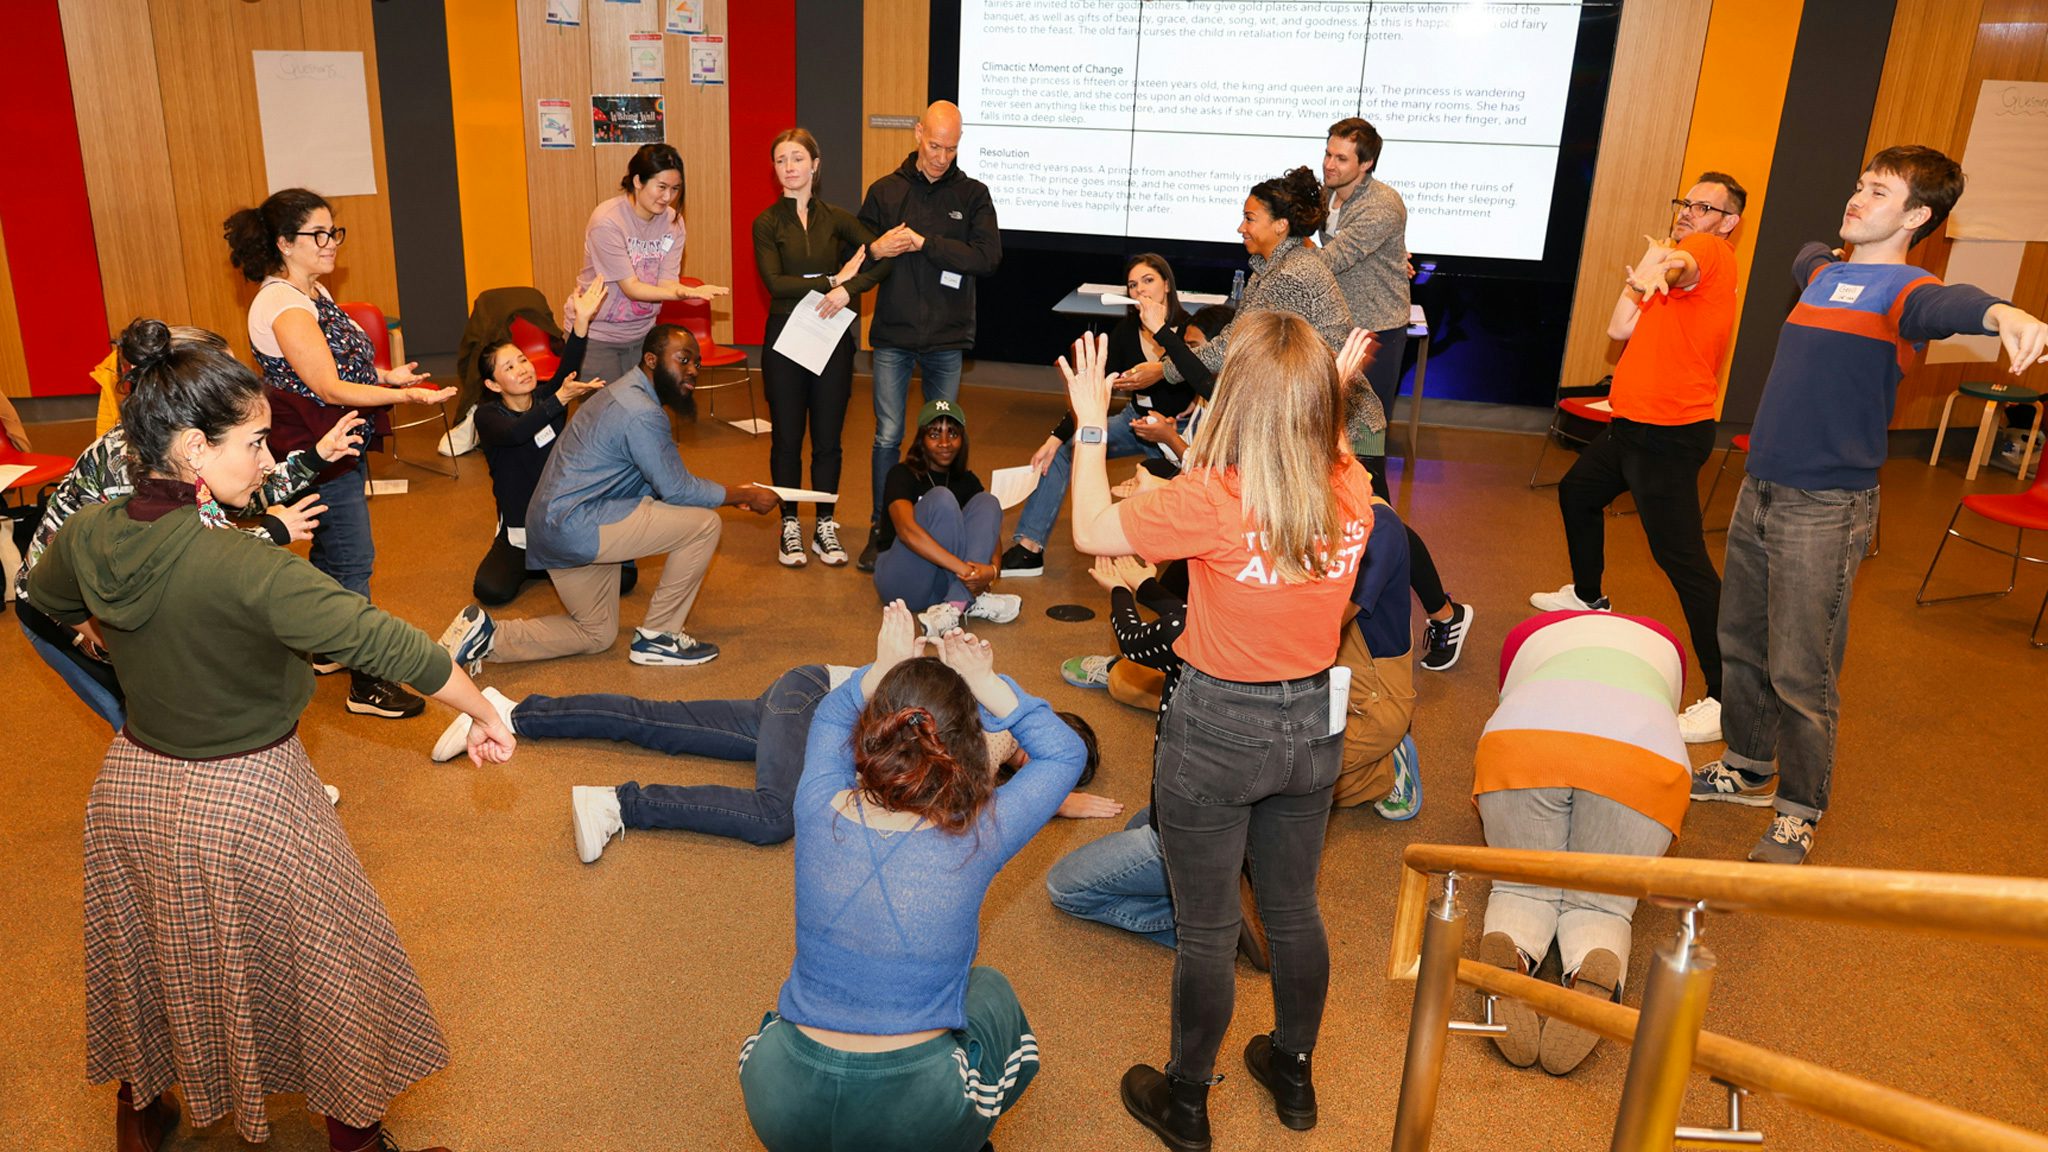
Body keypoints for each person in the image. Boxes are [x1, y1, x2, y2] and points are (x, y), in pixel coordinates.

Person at [26, 319, 514, 1152]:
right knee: (334, 972)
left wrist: (101, 630)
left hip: (130, 790)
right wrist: (483, 712)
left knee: (155, 961)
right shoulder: (253, 566)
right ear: (191, 450)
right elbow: (386, 643)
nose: (264, 460)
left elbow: (46, 597)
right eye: (253, 443)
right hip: (246, 798)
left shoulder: (89, 531)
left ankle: (142, 1121)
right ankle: (356, 1143)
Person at [1060, 315, 1379, 1145]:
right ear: (1317, 405)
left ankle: (1190, 1101)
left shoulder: (1215, 501)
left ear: (1233, 395)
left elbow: (1093, 531)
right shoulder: (1350, 485)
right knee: (1294, 909)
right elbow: (1321, 442)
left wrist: (1092, 420)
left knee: (1205, 929)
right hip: (1312, 726)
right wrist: (1330, 391)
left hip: (1217, 730)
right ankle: (1295, 1073)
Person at [1691, 146, 2047, 865]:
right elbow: (1806, 254)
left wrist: (2002, 310)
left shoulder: (1908, 293)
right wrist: (1827, 252)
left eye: (1878, 192)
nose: (1857, 197)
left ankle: (1799, 809)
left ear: (1917, 215)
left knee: (1802, 668)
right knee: (1741, 646)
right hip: (1760, 489)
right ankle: (1751, 767)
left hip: (1824, 508)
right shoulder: (1824, 271)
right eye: (1859, 184)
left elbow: (1949, 304)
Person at [737, 603, 1086, 1152]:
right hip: (915, 1114)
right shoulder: (978, 834)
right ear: (970, 748)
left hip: (777, 1097)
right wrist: (987, 682)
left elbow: (830, 714)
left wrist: (881, 667)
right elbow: (1065, 752)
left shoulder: (815, 803)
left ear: (874, 732)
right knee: (989, 989)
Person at [1048, 495, 1423, 957]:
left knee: (1064, 886)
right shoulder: (1249, 610)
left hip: (1207, 799)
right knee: (1147, 792)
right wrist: (1142, 586)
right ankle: (1220, 898)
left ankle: (1213, 923)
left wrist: (1123, 590)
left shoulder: (1359, 531)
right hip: (1256, 741)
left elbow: (1136, 636)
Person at [14, 326, 357, 733]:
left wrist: (315, 458)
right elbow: (176, 562)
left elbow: (243, 495)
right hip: (64, 614)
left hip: (116, 601)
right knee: (148, 726)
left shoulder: (189, 446)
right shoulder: (131, 461)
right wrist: (272, 533)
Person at [425, 662, 1115, 855]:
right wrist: (1055, 798)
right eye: (1045, 754)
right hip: (817, 701)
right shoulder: (986, 720)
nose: (1028, 762)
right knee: (776, 816)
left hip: (803, 697)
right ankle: (618, 803)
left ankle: (509, 712)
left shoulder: (991, 736)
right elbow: (962, 801)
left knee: (664, 724)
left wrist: (1047, 793)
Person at [225, 187, 458, 720]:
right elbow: (328, 386)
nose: (331, 243)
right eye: (318, 234)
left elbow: (347, 362)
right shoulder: (282, 302)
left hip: (334, 439)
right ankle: (367, 682)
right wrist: (407, 396)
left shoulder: (311, 291)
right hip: (313, 443)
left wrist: (387, 375)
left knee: (331, 550)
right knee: (353, 559)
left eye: (335, 232)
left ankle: (328, 646)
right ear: (285, 243)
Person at [1531, 174, 1747, 744]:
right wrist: (1648, 271)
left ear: (1728, 222)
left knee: (1684, 564)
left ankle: (1728, 697)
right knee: (1578, 494)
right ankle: (1588, 595)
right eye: (1685, 202)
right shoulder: (1667, 282)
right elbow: (1617, 327)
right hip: (1630, 427)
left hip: (1669, 434)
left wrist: (1666, 265)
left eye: (1705, 206)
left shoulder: (1710, 252)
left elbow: (1687, 260)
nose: (1689, 212)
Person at [437, 326, 780, 671]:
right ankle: (659, 638)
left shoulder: (620, 391)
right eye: (684, 360)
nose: (692, 370)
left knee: (596, 633)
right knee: (704, 524)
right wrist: (742, 495)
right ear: (651, 360)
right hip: (576, 525)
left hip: (553, 527)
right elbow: (677, 489)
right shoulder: (642, 411)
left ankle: (488, 636)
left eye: (697, 363)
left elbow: (660, 483)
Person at [1474, 610, 1691, 1075]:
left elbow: (1507, 694)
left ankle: (1508, 959)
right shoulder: (1669, 653)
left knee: (1520, 885)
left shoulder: (1525, 635)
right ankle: (1590, 978)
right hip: (1640, 759)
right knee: (1603, 902)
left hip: (1524, 741)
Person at [1115, 167, 1384, 453]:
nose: (1241, 228)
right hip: (1319, 419)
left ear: (1281, 225)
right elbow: (1233, 336)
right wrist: (1165, 368)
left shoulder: (1290, 275)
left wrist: (1163, 367)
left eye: (1249, 219)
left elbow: (1231, 349)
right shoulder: (1271, 270)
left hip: (1345, 428)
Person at [855, 101, 1002, 571]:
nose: (942, 156)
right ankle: (883, 529)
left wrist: (926, 243)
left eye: (952, 148)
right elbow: (861, 258)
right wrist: (877, 247)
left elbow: (986, 258)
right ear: (918, 133)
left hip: (947, 337)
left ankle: (941, 528)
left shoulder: (974, 194)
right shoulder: (885, 191)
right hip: (894, 335)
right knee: (889, 435)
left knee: (943, 438)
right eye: (935, 145)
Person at [1000, 254, 1207, 579]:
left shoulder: (1191, 330)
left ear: (1167, 285)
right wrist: (1054, 438)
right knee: (1065, 449)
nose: (1141, 290)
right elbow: (1091, 392)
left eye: (1149, 280)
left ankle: (1186, 576)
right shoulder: (1124, 332)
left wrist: (1180, 384)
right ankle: (1029, 548)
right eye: (1133, 285)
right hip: (1132, 421)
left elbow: (1211, 376)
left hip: (1177, 431)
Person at [753, 126, 883, 568]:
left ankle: (825, 523)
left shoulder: (838, 218)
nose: (789, 168)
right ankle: (790, 522)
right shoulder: (766, 223)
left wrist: (852, 287)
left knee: (828, 441)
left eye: (796, 159)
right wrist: (833, 280)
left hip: (831, 340)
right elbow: (776, 284)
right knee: (787, 439)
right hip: (784, 340)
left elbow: (878, 257)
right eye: (781, 161)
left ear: (815, 164)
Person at [470, 278, 613, 606]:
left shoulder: (548, 400)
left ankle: (550, 561)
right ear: (493, 385)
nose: (522, 369)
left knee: (625, 578)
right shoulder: (488, 417)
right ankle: (539, 565)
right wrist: (559, 399)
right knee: (491, 590)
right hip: (519, 534)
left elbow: (567, 373)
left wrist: (581, 324)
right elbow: (516, 434)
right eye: (509, 367)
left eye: (522, 359)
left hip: (560, 524)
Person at [576, 143, 729, 389]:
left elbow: (666, 281)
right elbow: (631, 287)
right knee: (607, 416)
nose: (668, 197)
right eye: (661, 187)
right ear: (638, 181)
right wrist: (681, 293)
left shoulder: (673, 222)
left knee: (643, 411)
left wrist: (678, 289)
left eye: (675, 189)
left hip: (642, 334)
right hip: (598, 335)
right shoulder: (607, 221)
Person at [1317, 117, 1412, 493]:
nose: (1329, 164)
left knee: (1365, 442)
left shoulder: (1382, 204)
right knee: (1329, 436)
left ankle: (1381, 535)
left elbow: (1333, 259)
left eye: (1340, 158)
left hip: (1376, 333)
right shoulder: (1327, 194)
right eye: (1327, 153)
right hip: (1339, 327)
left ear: (1366, 164)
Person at [873, 398, 1020, 635]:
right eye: (934, 434)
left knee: (988, 501)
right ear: (921, 439)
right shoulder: (902, 474)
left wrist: (990, 572)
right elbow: (907, 532)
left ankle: (955, 606)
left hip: (944, 585)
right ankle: (968, 598)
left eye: (952, 434)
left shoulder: (967, 481)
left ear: (962, 439)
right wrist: (965, 570)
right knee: (941, 499)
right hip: (901, 579)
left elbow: (990, 532)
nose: (944, 443)